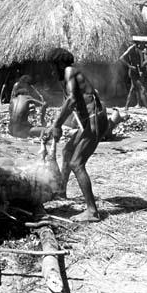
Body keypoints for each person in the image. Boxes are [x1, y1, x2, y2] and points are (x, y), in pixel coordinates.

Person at [49, 48, 123, 223]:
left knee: (77, 163)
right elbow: (74, 103)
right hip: (89, 121)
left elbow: (73, 100)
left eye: (53, 66)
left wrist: (57, 124)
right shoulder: (71, 74)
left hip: (94, 120)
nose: (52, 70)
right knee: (67, 151)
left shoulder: (69, 71)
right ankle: (61, 191)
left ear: (59, 63)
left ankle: (92, 211)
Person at [119, 36, 147, 116]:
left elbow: (142, 64)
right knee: (142, 89)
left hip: (139, 72)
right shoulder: (131, 48)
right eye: (143, 43)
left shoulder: (143, 50)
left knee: (132, 89)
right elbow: (121, 58)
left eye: (144, 43)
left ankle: (126, 107)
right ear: (138, 43)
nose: (144, 45)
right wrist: (130, 66)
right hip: (133, 72)